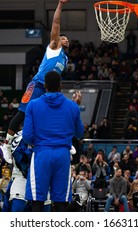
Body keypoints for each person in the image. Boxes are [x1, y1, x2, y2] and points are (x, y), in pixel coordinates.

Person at [5, 0, 72, 146]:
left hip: (50, 90)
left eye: (66, 38)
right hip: (37, 85)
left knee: (53, 114)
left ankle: (61, 142)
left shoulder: (65, 58)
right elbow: (56, 23)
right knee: (22, 113)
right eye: (62, 37)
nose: (65, 39)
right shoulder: (54, 47)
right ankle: (6, 144)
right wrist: (60, 4)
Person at [22, 70, 84, 212]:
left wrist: (40, 142)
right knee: (61, 201)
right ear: (60, 85)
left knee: (37, 200)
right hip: (63, 155)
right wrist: (76, 108)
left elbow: (27, 135)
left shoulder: (33, 105)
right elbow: (79, 133)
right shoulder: (72, 106)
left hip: (42, 153)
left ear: (45, 85)